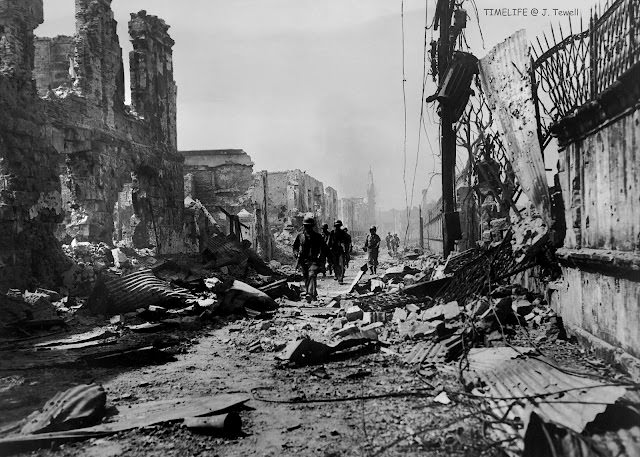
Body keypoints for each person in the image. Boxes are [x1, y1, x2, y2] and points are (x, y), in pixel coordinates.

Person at [293, 215, 327, 302]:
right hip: (303, 261)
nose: (307, 228)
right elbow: (295, 247)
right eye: (306, 226)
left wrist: (325, 261)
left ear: (312, 226)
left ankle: (309, 294)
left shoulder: (318, 237)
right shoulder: (300, 236)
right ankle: (313, 294)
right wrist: (296, 254)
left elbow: (324, 249)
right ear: (304, 226)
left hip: (314, 261)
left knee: (312, 275)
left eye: (309, 226)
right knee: (306, 278)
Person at [328, 219, 349, 284]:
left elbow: (347, 242)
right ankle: (336, 274)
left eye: (338, 226)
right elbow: (329, 243)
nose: (337, 227)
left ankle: (340, 278)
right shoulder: (332, 233)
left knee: (341, 264)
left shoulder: (343, 233)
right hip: (334, 251)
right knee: (335, 264)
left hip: (341, 251)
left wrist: (346, 251)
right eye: (336, 226)